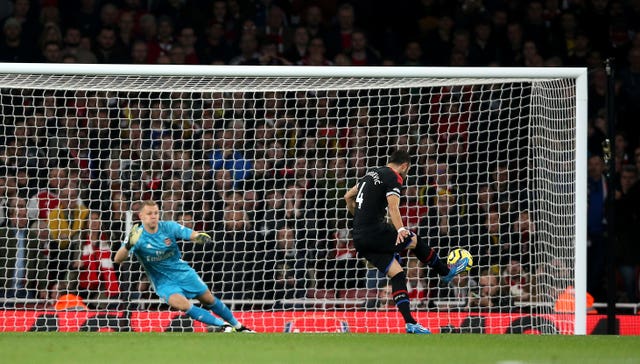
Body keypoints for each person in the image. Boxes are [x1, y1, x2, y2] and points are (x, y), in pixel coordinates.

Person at [344, 150, 469, 334]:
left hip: (359, 238)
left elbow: (348, 196)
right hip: (374, 230)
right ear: (404, 166)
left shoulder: (370, 173)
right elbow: (393, 206)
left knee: (398, 274)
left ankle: (410, 323)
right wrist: (401, 230)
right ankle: (446, 273)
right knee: (414, 240)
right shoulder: (394, 177)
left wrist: (359, 218)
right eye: (407, 170)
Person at [114, 200, 254, 333]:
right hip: (162, 282)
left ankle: (239, 326)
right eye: (149, 213)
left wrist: (198, 237)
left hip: (183, 273)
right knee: (183, 305)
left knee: (209, 299)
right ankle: (223, 326)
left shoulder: (168, 226)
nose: (153, 217)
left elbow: (190, 234)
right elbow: (118, 259)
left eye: (156, 213)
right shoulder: (136, 235)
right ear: (141, 216)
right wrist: (128, 246)